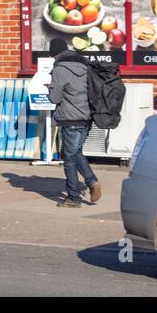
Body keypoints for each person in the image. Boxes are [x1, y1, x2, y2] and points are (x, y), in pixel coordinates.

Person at [48, 49, 101, 207]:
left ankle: (73, 198)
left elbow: (54, 98)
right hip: (86, 118)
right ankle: (92, 182)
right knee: (76, 153)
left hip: (70, 119)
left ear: (55, 54)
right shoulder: (86, 68)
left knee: (69, 158)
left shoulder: (60, 70)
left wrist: (51, 88)